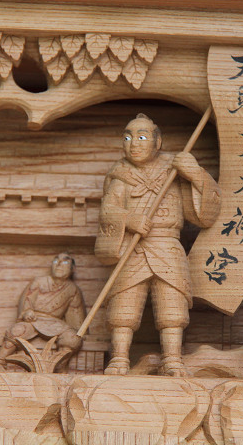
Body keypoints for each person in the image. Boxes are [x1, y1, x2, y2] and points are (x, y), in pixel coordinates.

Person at [95, 113, 221, 377]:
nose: (134, 144)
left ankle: (172, 360)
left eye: (142, 137)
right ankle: (119, 359)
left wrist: (195, 175)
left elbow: (204, 216)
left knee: (172, 306)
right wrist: (129, 219)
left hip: (167, 246)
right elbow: (108, 211)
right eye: (127, 138)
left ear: (158, 142)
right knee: (123, 306)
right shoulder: (120, 176)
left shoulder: (174, 171)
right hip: (133, 247)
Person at [0, 253, 86, 367]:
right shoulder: (39, 281)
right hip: (35, 319)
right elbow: (27, 300)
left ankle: (59, 367)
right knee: (17, 330)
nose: (59, 264)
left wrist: (78, 330)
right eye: (56, 261)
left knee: (72, 339)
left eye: (65, 262)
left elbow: (75, 314)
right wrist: (27, 311)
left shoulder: (72, 289)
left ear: (72, 269)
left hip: (56, 323)